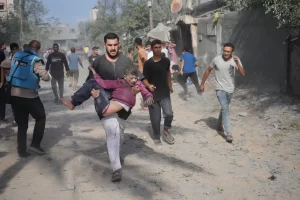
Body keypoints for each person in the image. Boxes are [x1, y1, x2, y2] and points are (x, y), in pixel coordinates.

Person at [84, 32, 144, 182]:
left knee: (120, 132)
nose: (112, 48)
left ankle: (115, 155)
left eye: (115, 45)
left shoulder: (126, 61)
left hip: (123, 102)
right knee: (112, 130)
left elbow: (139, 78)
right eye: (109, 45)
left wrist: (146, 89)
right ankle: (116, 167)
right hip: (104, 101)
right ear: (105, 45)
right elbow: (90, 81)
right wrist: (92, 92)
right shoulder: (98, 62)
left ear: (119, 45)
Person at [7, 40, 51, 157]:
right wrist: (45, 74)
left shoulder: (16, 56)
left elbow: (6, 66)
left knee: (22, 124)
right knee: (41, 117)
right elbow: (45, 77)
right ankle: (35, 145)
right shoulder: (35, 60)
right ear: (37, 50)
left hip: (14, 94)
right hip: (29, 95)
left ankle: (21, 151)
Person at [61, 65, 153, 116]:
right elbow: (104, 83)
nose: (134, 80)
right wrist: (94, 73)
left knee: (93, 83)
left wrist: (149, 96)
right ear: (125, 77)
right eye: (131, 78)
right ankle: (73, 101)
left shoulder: (138, 84)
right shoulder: (119, 82)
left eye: (135, 78)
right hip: (107, 105)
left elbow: (145, 91)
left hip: (106, 108)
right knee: (94, 82)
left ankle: (73, 102)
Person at [200, 43, 245, 143]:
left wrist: (237, 63)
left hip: (230, 88)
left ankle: (219, 124)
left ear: (232, 52)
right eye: (224, 51)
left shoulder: (235, 60)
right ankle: (228, 134)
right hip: (219, 88)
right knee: (225, 109)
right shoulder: (216, 59)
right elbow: (208, 70)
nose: (226, 53)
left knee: (224, 108)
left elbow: (242, 74)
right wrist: (202, 84)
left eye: (228, 51)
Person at [143, 39, 175, 145]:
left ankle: (166, 131)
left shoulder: (166, 61)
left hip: (165, 93)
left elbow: (168, 74)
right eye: (155, 47)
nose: (157, 49)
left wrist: (170, 85)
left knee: (169, 114)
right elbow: (144, 79)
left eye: (159, 47)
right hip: (152, 95)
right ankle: (157, 137)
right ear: (152, 49)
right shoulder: (148, 64)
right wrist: (148, 85)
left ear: (162, 47)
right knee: (155, 119)